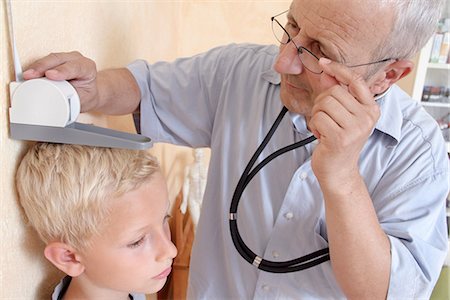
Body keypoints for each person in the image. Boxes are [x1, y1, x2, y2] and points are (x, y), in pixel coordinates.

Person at [22, 0, 450, 298]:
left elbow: (388, 292)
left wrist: (340, 178)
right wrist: (92, 91)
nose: (284, 61)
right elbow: (145, 90)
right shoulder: (243, 72)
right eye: (293, 27)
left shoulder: (418, 154)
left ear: (389, 74)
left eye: (320, 53)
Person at [15, 143, 177, 300]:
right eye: (137, 241)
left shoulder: (131, 288)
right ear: (69, 257)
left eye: (164, 219)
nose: (171, 250)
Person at [180, 148, 208, 230]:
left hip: (204, 199)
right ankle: (199, 243)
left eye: (200, 153)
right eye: (197, 153)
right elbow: (186, 184)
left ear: (203, 154)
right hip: (193, 199)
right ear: (193, 154)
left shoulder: (207, 168)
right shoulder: (188, 168)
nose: (199, 156)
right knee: (197, 225)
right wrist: (184, 202)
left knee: (207, 224)